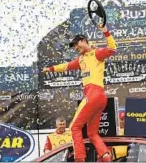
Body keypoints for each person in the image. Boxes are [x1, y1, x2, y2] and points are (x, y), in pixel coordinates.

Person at [43, 24, 116, 162]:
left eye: (77, 44)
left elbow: (112, 49)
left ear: (83, 41)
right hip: (100, 98)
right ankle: (106, 156)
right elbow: (66, 66)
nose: (76, 48)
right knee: (92, 133)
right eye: (74, 46)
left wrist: (105, 32)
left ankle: (80, 159)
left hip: (93, 95)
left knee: (74, 128)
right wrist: (51, 69)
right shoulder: (81, 59)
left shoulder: (96, 53)